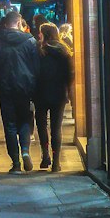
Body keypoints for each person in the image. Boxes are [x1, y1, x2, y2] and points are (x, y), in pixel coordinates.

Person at [0, 9, 40, 172]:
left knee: (9, 125)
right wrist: (33, 84)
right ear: (18, 23)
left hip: (5, 88)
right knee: (24, 120)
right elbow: (36, 66)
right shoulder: (30, 40)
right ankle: (25, 151)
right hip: (24, 88)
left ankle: (15, 163)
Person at [35, 22, 72, 171]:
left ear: (43, 34)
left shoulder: (39, 50)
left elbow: (33, 71)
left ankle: (45, 156)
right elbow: (69, 74)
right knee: (56, 128)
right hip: (58, 94)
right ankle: (56, 162)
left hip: (40, 93)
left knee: (42, 126)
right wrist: (67, 90)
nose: (38, 35)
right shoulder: (64, 50)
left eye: (40, 33)